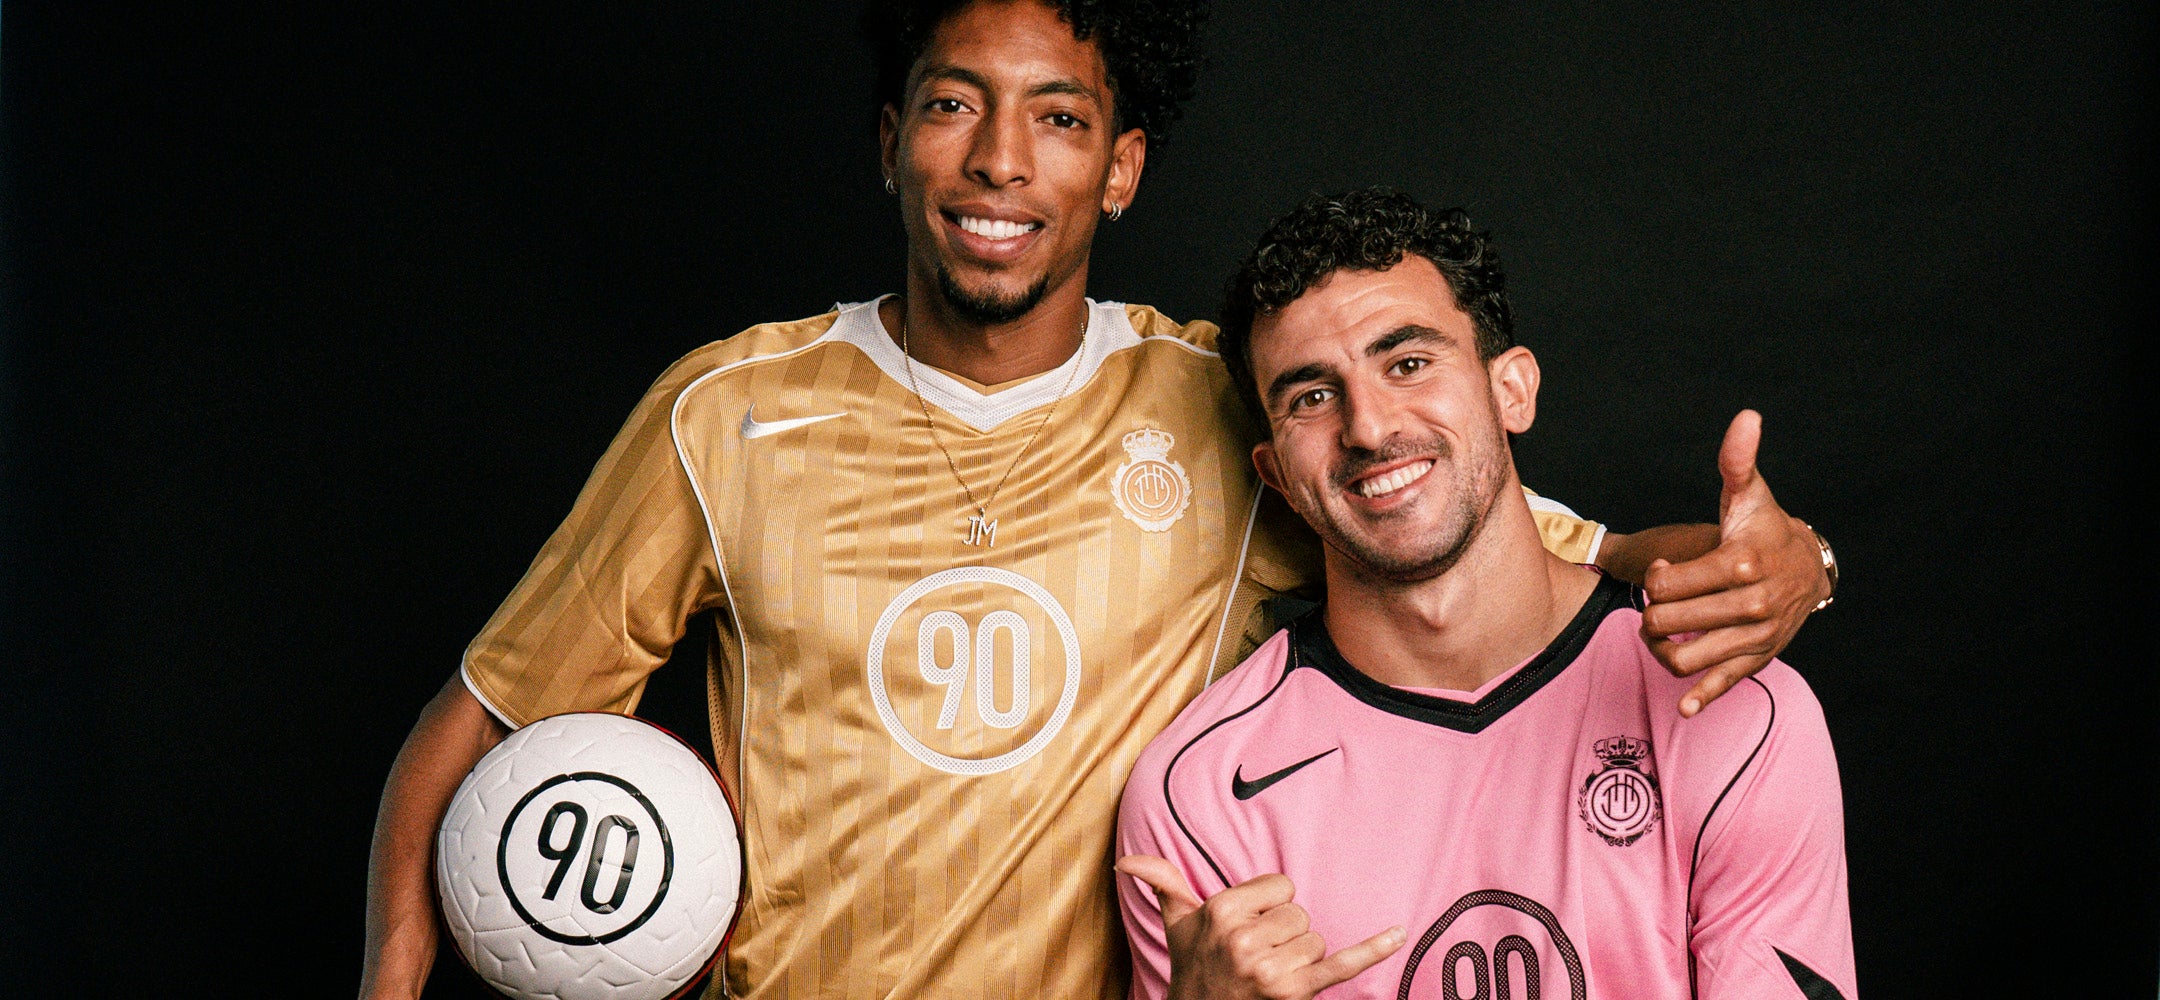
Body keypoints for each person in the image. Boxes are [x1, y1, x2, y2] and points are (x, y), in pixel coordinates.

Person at [359, 4, 1838, 998]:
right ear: (891, 141)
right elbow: (475, 727)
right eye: (953, 104)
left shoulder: (1232, 400)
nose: (1000, 160)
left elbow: (1529, 546)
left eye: (1059, 119)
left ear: (1121, 169)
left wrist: (1794, 564)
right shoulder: (726, 413)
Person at [1116, 188, 1855, 1000]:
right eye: (1311, 397)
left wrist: (1807, 557)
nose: (1368, 427)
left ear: (1513, 391)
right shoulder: (1197, 795)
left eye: (1408, 363)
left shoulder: (1738, 713)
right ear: (1277, 477)